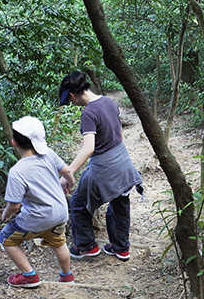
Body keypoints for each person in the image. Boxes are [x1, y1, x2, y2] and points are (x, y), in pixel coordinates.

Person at [58, 71, 142, 261]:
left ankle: (86, 245)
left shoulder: (89, 112)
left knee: (78, 204)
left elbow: (89, 148)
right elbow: (119, 132)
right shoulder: (109, 101)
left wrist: (67, 173)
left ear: (72, 95)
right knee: (119, 202)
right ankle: (121, 248)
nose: (72, 103)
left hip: (104, 167)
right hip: (123, 162)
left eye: (69, 100)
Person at [0, 116, 76, 287]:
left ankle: (29, 276)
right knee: (59, 242)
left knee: (6, 238)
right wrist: (69, 184)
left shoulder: (17, 171)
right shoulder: (49, 154)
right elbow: (68, 171)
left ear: (14, 143)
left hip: (37, 217)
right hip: (60, 212)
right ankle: (66, 275)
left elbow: (15, 205)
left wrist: (4, 216)